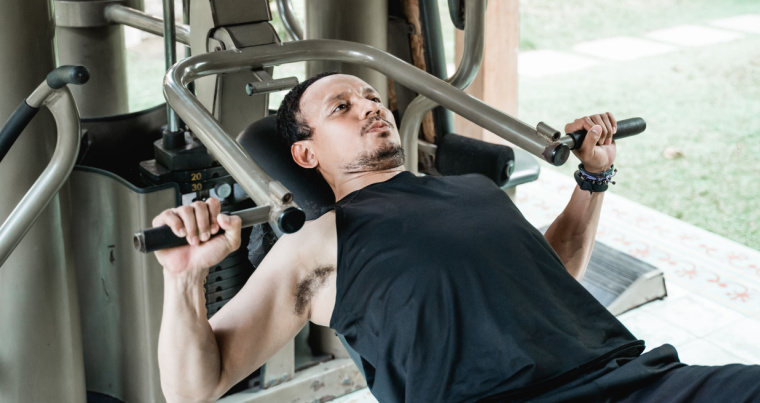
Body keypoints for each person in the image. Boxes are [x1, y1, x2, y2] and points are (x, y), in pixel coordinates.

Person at [153, 73, 760, 403]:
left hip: (639, 379)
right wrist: (185, 279)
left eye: (371, 96)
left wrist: (593, 176)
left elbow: (556, 274)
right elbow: (194, 387)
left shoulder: (472, 190)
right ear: (305, 152)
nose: (370, 107)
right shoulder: (318, 241)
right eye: (341, 106)